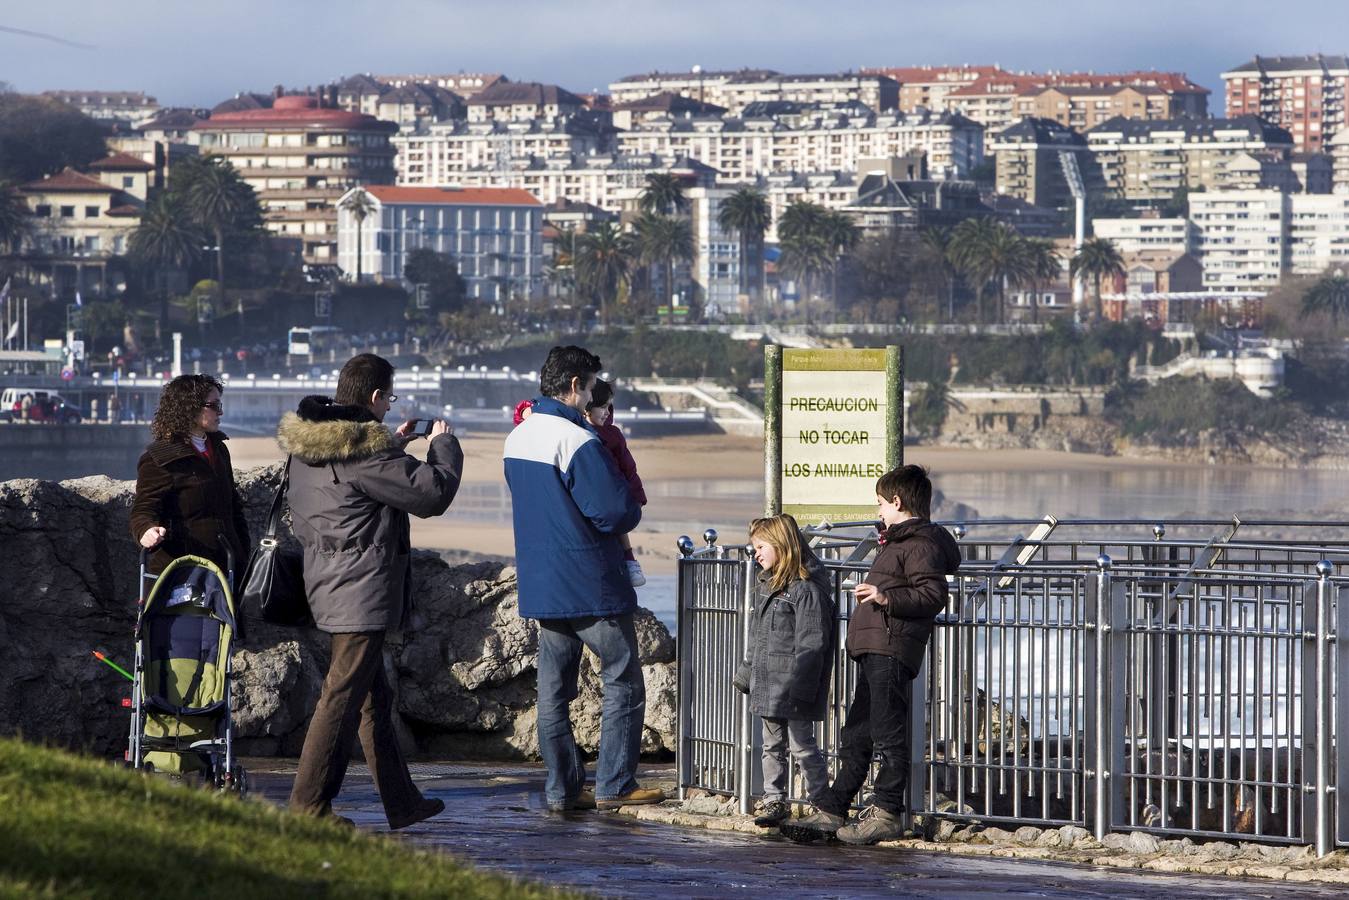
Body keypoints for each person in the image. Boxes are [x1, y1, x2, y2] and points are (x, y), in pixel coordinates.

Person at [279, 353, 462, 829]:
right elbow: (431, 494)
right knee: (340, 698)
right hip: (360, 590)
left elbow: (351, 494)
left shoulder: (311, 444)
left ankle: (402, 802)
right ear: (376, 397)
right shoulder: (364, 449)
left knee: (371, 698)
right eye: (389, 399)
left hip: (328, 581)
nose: (389, 409)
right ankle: (308, 809)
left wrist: (393, 445)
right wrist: (444, 444)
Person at [503, 345, 664, 812]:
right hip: (589, 584)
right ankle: (615, 783)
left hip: (542, 583)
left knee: (553, 693)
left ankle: (562, 789)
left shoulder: (518, 437)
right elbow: (615, 512)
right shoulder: (576, 440)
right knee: (624, 681)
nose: (594, 395)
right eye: (593, 387)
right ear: (576, 386)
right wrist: (629, 505)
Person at [784, 465, 962, 845]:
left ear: (897, 502)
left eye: (881, 503)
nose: (878, 510)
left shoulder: (919, 544)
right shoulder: (900, 541)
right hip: (877, 646)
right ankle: (835, 808)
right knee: (858, 732)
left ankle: (886, 811)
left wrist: (885, 596)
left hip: (892, 646)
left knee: (886, 732)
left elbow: (932, 596)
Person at [732, 514, 835, 828]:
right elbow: (759, 637)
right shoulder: (768, 585)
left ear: (781, 546)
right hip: (769, 685)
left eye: (761, 546)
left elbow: (812, 643)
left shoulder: (805, 591)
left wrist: (802, 688)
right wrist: (747, 672)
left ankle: (822, 802)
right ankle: (774, 799)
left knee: (801, 746)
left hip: (792, 686)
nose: (757, 553)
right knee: (771, 745)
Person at [129, 374, 249, 577]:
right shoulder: (160, 458)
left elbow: (234, 506)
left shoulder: (219, 450)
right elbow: (143, 510)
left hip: (228, 564)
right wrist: (146, 530)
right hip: (183, 571)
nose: (220, 412)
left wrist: (243, 549)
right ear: (190, 408)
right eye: (214, 406)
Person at [582, 379, 647, 587]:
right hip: (591, 493)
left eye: (609, 406)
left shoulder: (614, 434)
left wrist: (637, 496)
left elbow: (629, 467)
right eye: (602, 406)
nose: (607, 412)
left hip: (615, 492)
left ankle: (630, 561)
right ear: (587, 408)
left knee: (619, 529)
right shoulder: (576, 431)